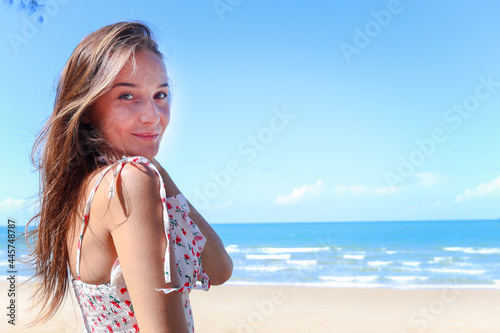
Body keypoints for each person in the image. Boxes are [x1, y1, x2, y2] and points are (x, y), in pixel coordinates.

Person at [26, 21, 233, 332]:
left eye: (161, 94)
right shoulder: (130, 182)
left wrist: (159, 172)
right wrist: (147, 172)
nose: (152, 115)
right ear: (87, 106)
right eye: (127, 96)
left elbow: (218, 269)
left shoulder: (86, 189)